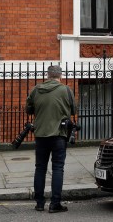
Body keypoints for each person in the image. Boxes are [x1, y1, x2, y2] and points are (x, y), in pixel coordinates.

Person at [26, 65, 76, 213]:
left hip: (41, 134)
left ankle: (39, 203)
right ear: (60, 75)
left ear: (47, 75)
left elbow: (28, 110)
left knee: (40, 168)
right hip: (59, 135)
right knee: (58, 168)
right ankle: (55, 204)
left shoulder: (36, 90)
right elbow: (73, 110)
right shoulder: (66, 90)